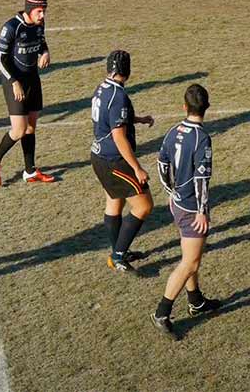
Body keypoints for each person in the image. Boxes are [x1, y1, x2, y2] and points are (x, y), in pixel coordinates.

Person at [151, 84, 222, 339]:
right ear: (207, 108)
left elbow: (161, 164)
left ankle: (196, 301)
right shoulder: (202, 138)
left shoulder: (173, 131)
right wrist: (202, 211)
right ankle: (162, 312)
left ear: (184, 107)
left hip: (179, 203)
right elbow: (202, 179)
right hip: (192, 208)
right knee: (189, 262)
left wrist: (170, 193)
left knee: (192, 257)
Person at [90, 50, 155, 274]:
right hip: (114, 161)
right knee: (144, 205)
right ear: (127, 70)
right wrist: (137, 168)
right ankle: (118, 255)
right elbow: (118, 136)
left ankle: (118, 250)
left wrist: (138, 119)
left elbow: (109, 119)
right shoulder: (119, 96)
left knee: (114, 202)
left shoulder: (102, 88)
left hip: (98, 157)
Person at [0, 0, 54, 186]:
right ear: (29, 10)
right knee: (19, 130)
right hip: (14, 82)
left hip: (33, 79)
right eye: (40, 11)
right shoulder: (11, 28)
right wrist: (14, 81)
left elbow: (41, 42)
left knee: (31, 127)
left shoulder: (39, 25)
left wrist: (45, 52)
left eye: (44, 11)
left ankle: (30, 171)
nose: (43, 15)